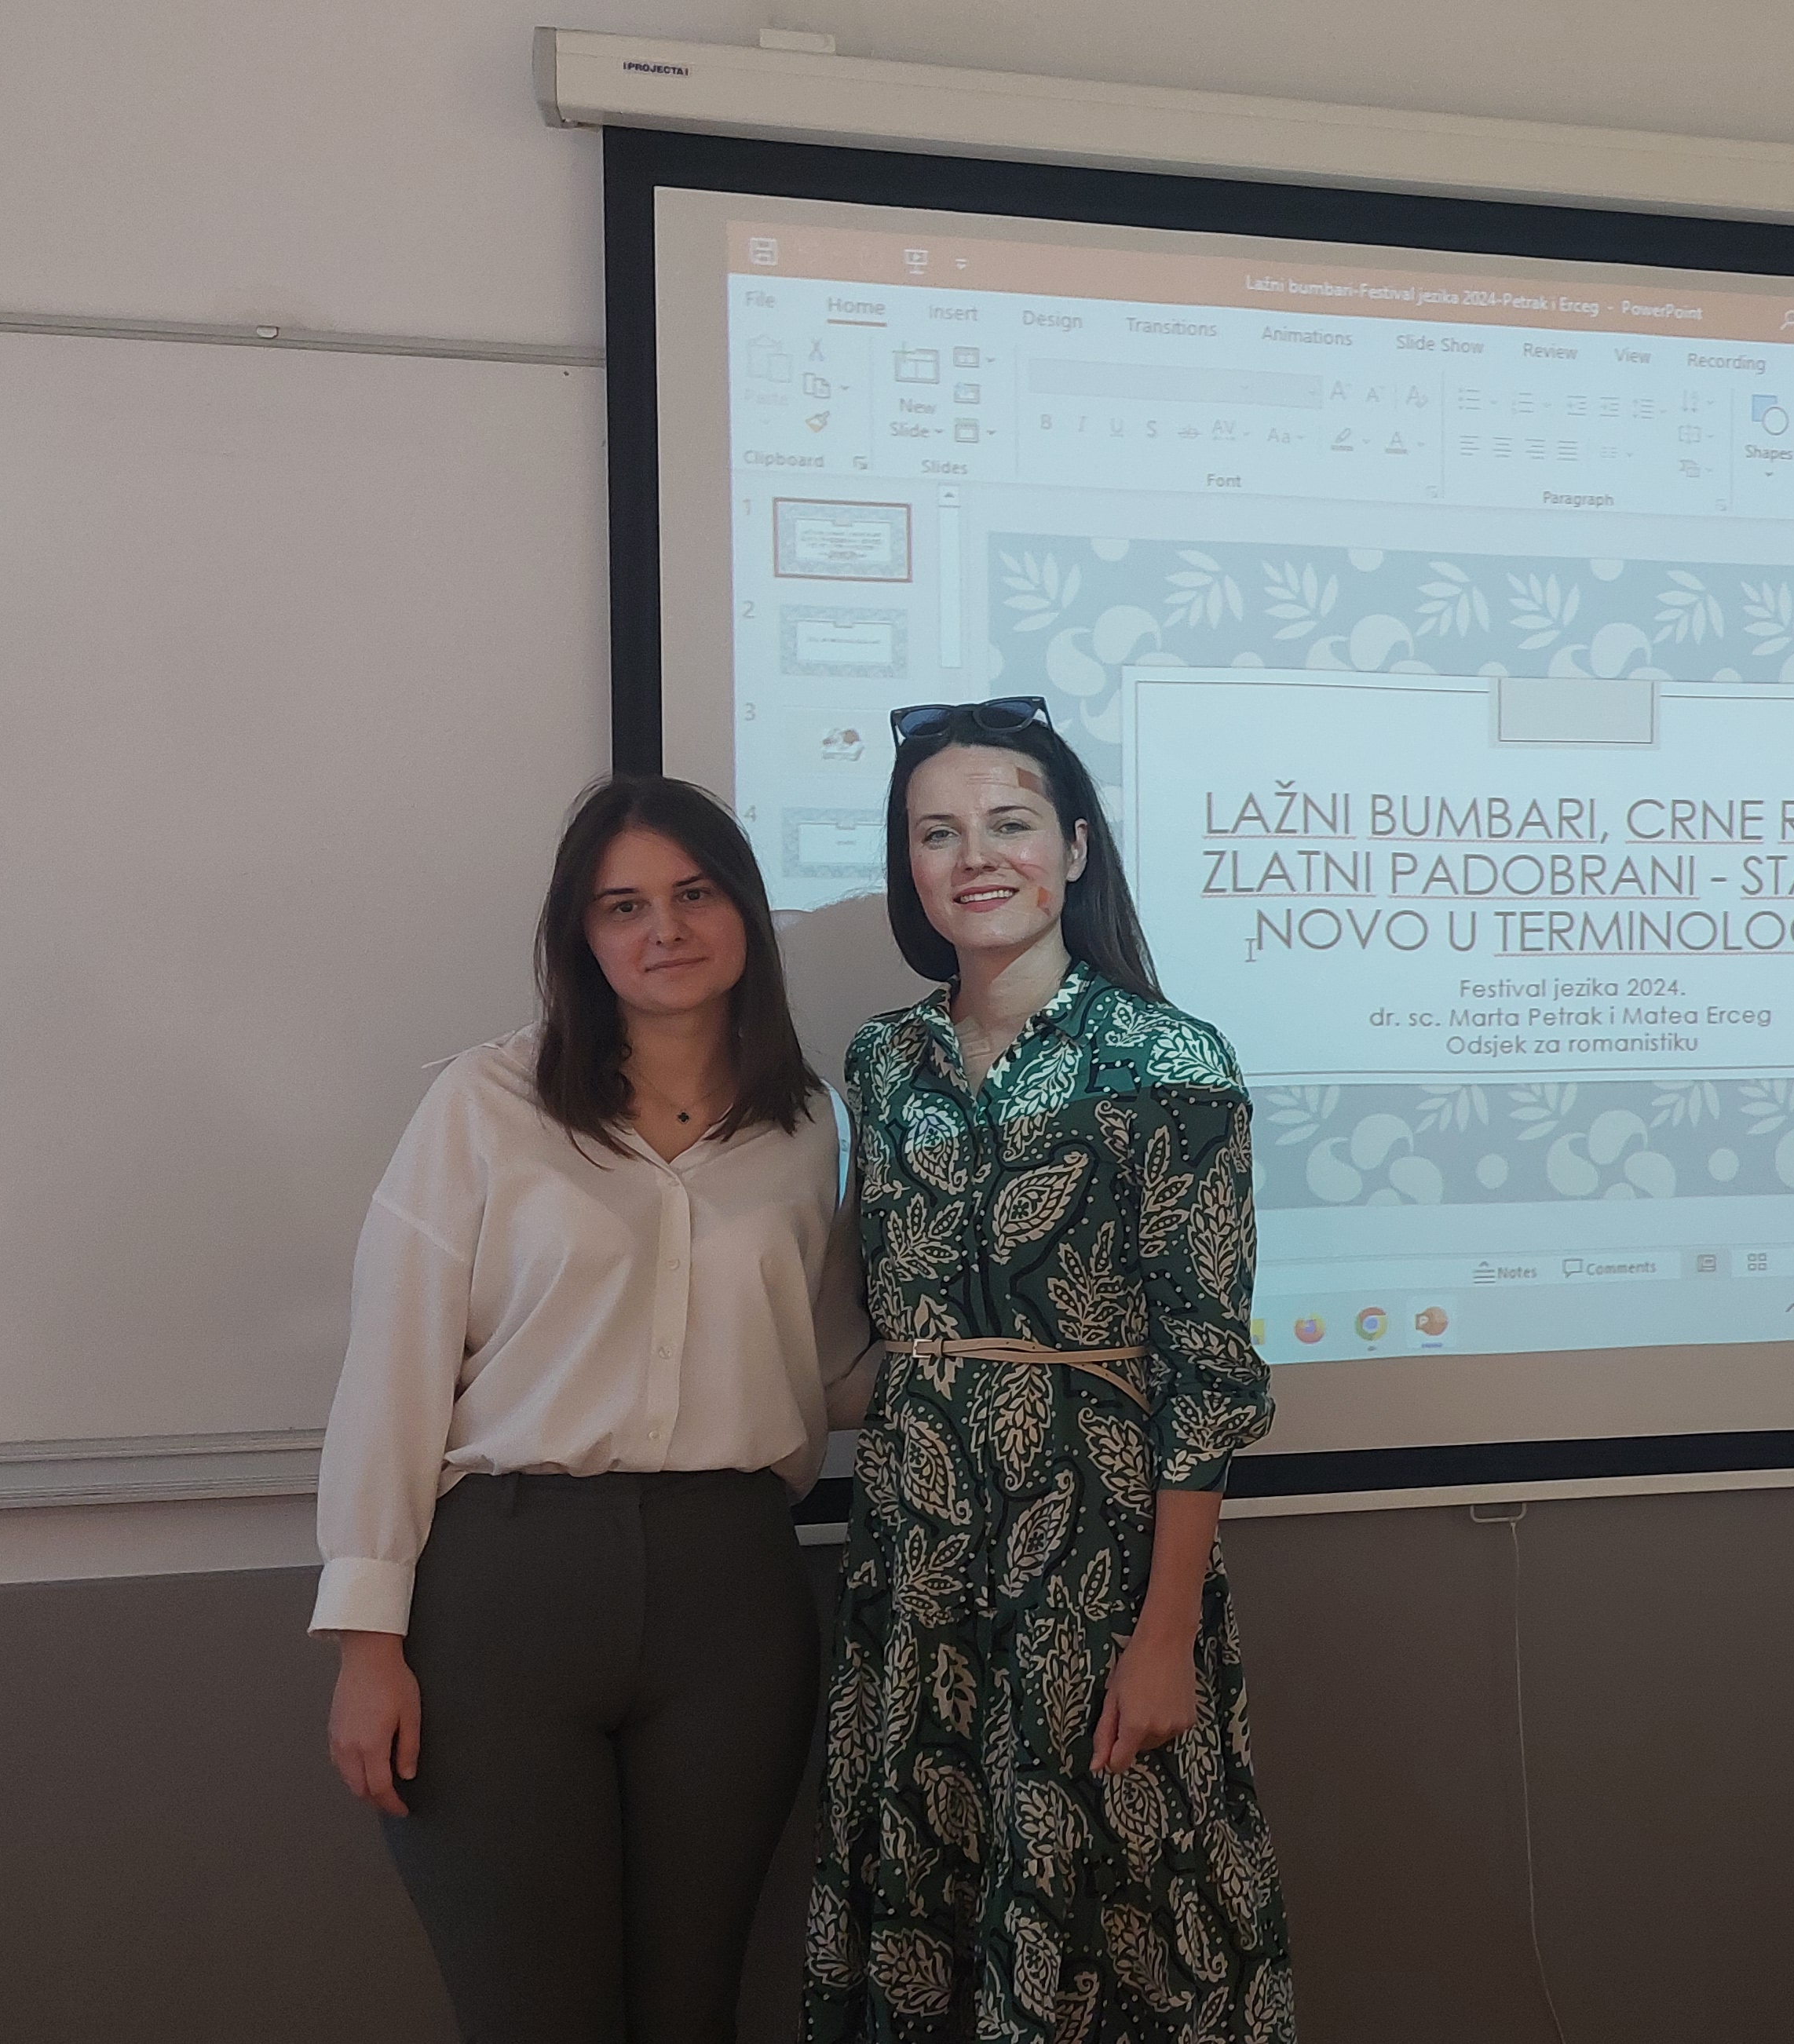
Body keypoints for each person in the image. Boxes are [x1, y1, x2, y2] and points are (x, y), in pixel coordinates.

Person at [312, 775, 872, 2043]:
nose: (664, 928)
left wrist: (1019, 1352)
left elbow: (832, 1362)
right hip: (506, 1596)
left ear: (746, 912)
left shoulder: (810, 1127)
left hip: (732, 1595)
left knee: (692, 2011)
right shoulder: (483, 1105)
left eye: (694, 893)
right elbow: (393, 1370)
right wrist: (367, 1644)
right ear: (581, 935)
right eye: (624, 906)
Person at [809, 696, 1295, 2044]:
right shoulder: (884, 1062)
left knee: (1112, 1907)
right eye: (937, 832)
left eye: (1010, 823)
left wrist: (1164, 1635)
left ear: (1074, 848)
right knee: (931, 1897)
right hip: (915, 1556)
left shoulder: (1167, 1061)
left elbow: (1207, 1374)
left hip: (1094, 1563)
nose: (976, 856)